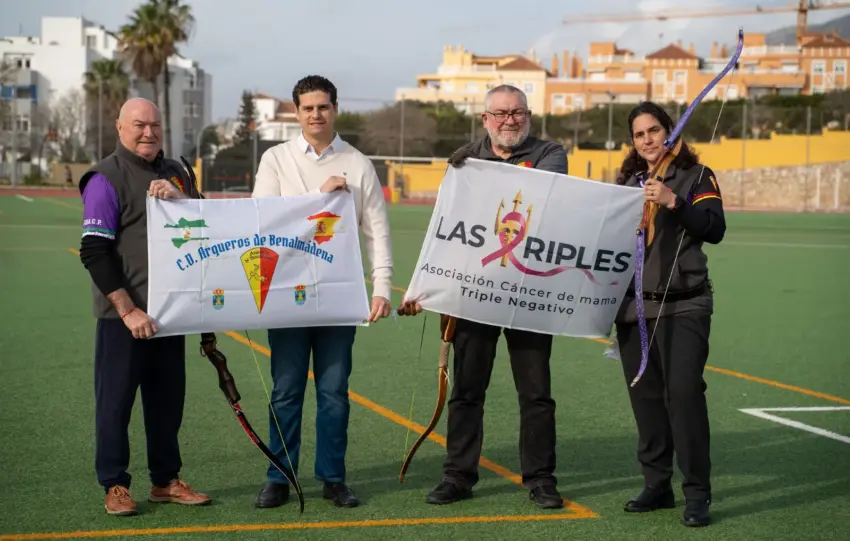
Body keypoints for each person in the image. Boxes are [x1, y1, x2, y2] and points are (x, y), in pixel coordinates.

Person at [398, 84, 568, 509]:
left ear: (528, 115)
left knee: (536, 393)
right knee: (467, 391)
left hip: (529, 294)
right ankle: (458, 476)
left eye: (517, 112)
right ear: (485, 119)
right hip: (475, 293)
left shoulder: (551, 154)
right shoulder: (463, 159)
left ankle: (542, 479)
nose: (509, 120)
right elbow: (446, 227)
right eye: (500, 113)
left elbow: (543, 195)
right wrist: (424, 283)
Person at [250, 75, 394, 509]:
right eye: (308, 108)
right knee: (286, 390)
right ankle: (279, 475)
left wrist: (382, 285)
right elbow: (263, 220)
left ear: (335, 109)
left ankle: (333, 477)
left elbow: (378, 231)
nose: (316, 114)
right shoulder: (275, 159)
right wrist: (319, 195)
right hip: (285, 294)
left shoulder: (358, 162)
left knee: (334, 391)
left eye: (323, 107)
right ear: (296, 112)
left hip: (338, 295)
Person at [77, 97, 212, 516]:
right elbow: (94, 253)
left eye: (154, 125)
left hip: (171, 315)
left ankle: (165, 480)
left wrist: (181, 198)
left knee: (167, 403)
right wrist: (127, 310)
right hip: (125, 319)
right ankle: (115, 484)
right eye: (138, 125)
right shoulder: (105, 178)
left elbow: (207, 225)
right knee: (115, 404)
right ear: (119, 127)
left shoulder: (176, 173)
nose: (148, 132)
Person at [613, 101, 725, 528]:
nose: (648, 140)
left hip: (686, 306)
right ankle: (656, 485)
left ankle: (697, 494)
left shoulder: (698, 176)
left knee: (684, 396)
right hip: (634, 310)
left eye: (654, 130)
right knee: (646, 401)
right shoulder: (626, 180)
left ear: (669, 132)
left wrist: (675, 201)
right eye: (640, 134)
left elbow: (714, 229)